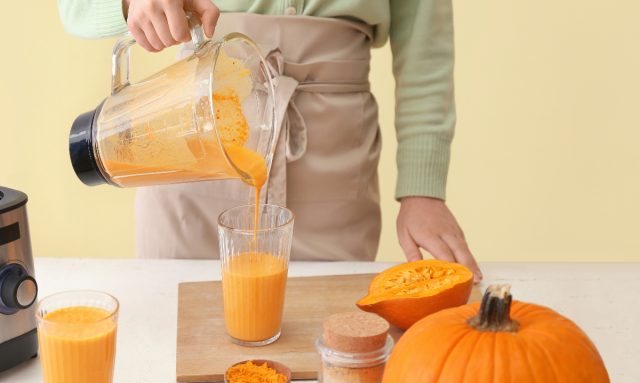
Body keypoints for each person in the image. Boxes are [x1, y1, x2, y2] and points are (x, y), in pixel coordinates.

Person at [58, 0, 483, 281]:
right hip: (191, 137)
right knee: (177, 341)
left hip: (334, 166)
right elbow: (75, 8)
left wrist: (423, 192)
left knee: (327, 357)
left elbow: (425, 54)